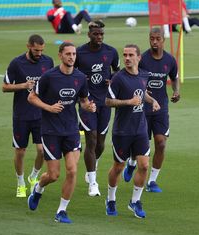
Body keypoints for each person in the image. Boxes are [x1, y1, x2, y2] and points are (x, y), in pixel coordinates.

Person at [27, 42, 96, 224]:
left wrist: (88, 106)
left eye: (73, 54)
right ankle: (38, 189)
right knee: (54, 175)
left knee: (72, 171)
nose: (72, 57)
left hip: (71, 130)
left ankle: (61, 211)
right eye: (68, 54)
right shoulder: (49, 76)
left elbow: (82, 101)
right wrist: (48, 107)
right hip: (50, 131)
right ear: (60, 55)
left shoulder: (80, 77)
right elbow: (31, 97)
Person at [105, 44, 160, 219]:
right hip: (122, 131)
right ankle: (111, 199)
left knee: (144, 165)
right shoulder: (118, 78)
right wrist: (128, 102)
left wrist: (152, 101)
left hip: (140, 129)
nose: (127, 58)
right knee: (118, 167)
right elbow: (108, 101)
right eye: (125, 55)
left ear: (138, 58)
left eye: (130, 55)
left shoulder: (144, 74)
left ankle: (135, 201)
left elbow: (142, 92)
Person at [122, 27, 180, 193]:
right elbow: (133, 78)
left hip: (161, 108)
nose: (154, 42)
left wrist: (176, 91)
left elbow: (174, 77)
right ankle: (132, 163)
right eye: (151, 38)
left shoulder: (169, 60)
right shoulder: (143, 59)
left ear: (163, 40)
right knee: (140, 146)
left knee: (160, 143)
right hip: (142, 108)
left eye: (157, 39)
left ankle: (152, 181)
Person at [2, 34, 54, 198]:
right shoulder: (16, 63)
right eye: (36, 50)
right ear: (28, 46)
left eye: (41, 50)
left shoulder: (48, 62)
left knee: (41, 150)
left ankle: (33, 176)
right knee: (21, 151)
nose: (39, 53)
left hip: (41, 114)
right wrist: (23, 85)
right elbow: (4, 87)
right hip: (21, 115)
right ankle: (20, 183)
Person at [75, 20, 120, 197]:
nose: (99, 37)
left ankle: (92, 165)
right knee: (91, 140)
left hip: (105, 103)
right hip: (87, 103)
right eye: (96, 34)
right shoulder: (79, 53)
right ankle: (93, 183)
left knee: (100, 144)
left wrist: (113, 79)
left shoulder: (111, 52)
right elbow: (71, 73)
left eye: (101, 34)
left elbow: (117, 70)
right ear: (89, 34)